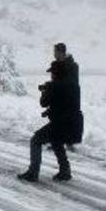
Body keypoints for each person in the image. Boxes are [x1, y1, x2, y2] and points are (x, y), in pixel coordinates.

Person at [18, 55, 82, 183]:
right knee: (56, 141)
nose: (51, 75)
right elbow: (66, 105)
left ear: (56, 73)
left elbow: (43, 102)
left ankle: (33, 172)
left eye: (52, 73)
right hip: (74, 122)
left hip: (61, 123)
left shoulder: (55, 86)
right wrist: (49, 111)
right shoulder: (74, 85)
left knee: (35, 140)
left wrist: (45, 91)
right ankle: (65, 171)